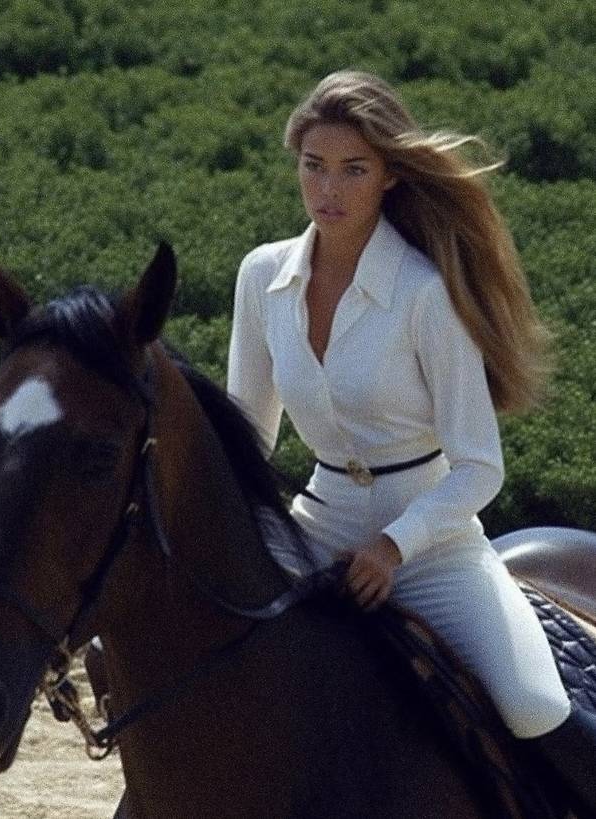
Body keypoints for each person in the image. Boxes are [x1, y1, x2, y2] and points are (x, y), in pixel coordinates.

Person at [227, 70, 596, 816]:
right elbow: (248, 437)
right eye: (314, 166)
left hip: (433, 546)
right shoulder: (261, 275)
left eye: (353, 170)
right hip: (317, 526)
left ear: (390, 175)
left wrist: (393, 548)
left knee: (530, 703)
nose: (328, 189)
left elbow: (479, 467)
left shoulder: (427, 293)